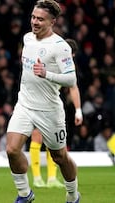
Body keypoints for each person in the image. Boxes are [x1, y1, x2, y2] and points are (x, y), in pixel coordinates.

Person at [5, 1, 81, 203]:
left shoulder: (60, 47)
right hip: (25, 105)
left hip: (49, 110)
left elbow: (71, 79)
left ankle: (73, 195)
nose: (34, 22)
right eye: (33, 17)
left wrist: (47, 74)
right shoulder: (27, 38)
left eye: (40, 19)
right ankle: (25, 194)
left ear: (52, 22)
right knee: (12, 149)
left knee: (59, 157)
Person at [30, 38, 83, 188]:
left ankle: (52, 178)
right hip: (36, 101)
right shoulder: (49, 59)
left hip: (52, 103)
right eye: (70, 55)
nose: (70, 59)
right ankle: (37, 178)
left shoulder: (67, 67)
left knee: (52, 140)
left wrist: (78, 111)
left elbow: (73, 87)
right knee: (37, 136)